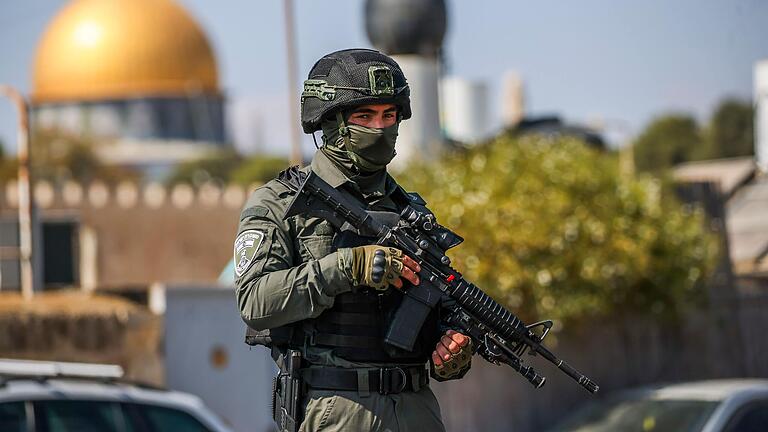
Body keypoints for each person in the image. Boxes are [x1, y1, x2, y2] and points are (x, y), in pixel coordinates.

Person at [234, 48, 472, 432]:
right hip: (338, 407)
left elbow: (441, 308)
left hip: (417, 408)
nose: (380, 128)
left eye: (389, 115)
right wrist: (347, 267)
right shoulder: (282, 201)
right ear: (330, 123)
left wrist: (451, 344)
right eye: (365, 116)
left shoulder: (413, 213)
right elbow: (256, 301)